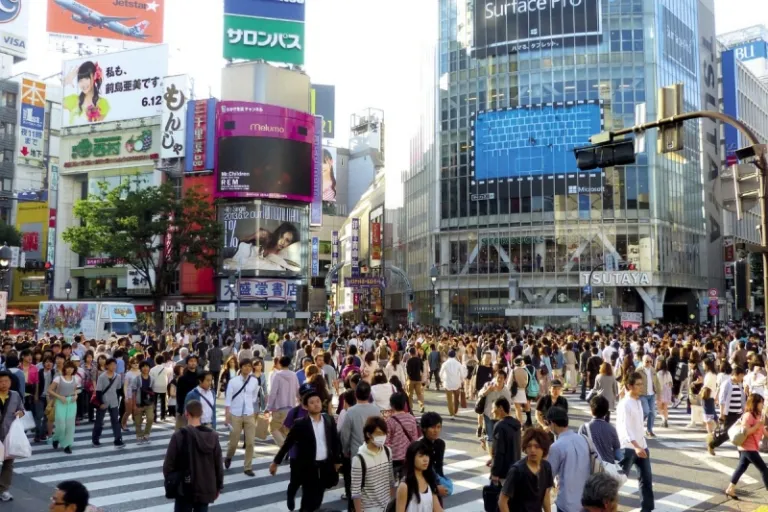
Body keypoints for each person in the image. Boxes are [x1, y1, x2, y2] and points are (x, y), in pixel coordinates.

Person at [269, 388, 343, 512]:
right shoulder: (300, 424)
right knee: (308, 499)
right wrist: (276, 462)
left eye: (318, 401)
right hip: (308, 467)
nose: (316, 404)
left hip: (325, 466)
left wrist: (337, 461)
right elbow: (288, 443)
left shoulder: (328, 420)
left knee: (318, 497)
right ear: (306, 406)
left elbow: (335, 441)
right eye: (312, 402)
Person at [163, 400, 224, 512]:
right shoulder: (213, 436)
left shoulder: (179, 436)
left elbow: (168, 465)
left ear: (187, 414)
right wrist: (218, 486)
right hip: (205, 488)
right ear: (201, 414)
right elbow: (218, 465)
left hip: (184, 488)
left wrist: (172, 482)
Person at [616, 371, 654, 512]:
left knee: (646, 480)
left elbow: (638, 427)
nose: (641, 387)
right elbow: (624, 429)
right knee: (617, 481)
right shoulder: (625, 404)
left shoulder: (638, 402)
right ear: (629, 386)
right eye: (638, 384)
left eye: (641, 384)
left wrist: (642, 444)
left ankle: (647, 509)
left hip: (641, 445)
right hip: (628, 448)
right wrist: (636, 446)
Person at [497, 427, 554, 512]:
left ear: (544, 448)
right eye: (529, 446)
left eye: (537, 446)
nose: (532, 450)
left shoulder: (546, 467)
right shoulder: (517, 471)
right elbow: (502, 501)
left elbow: (545, 496)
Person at [546, 406, 590, 512]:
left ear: (552, 423)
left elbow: (547, 477)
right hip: (587, 501)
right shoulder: (584, 439)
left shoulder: (556, 447)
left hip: (566, 503)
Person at [725, 393, 768, 498]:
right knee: (764, 469)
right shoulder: (748, 416)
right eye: (761, 403)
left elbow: (763, 431)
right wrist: (757, 426)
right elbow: (745, 432)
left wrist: (761, 427)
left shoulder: (759, 415)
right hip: (748, 447)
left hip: (751, 447)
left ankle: (730, 489)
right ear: (755, 403)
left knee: (741, 467)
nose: (763, 405)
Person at [351, 416, 396, 512]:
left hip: (387, 506)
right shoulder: (359, 459)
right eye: (379, 433)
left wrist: (392, 504)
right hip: (369, 509)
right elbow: (356, 491)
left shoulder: (388, 451)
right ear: (368, 434)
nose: (382, 437)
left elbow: (391, 480)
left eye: (384, 433)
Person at [224, 358, 260, 476]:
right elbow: (228, 400)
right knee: (233, 442)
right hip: (235, 414)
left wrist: (251, 406)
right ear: (241, 367)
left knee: (250, 442)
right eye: (245, 366)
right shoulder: (233, 381)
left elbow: (255, 396)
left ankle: (248, 467)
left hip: (249, 414)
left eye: (249, 366)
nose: (247, 368)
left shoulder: (254, 381)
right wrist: (227, 416)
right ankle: (229, 456)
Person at [395, 440, 443, 512]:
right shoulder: (405, 486)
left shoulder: (429, 480)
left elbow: (437, 509)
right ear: (412, 458)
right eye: (421, 456)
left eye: (427, 455)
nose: (425, 459)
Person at [708, 365, 746, 455]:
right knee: (726, 433)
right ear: (736, 374)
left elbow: (742, 399)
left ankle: (743, 454)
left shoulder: (739, 384)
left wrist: (744, 410)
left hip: (738, 413)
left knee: (740, 432)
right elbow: (722, 400)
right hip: (729, 413)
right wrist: (722, 413)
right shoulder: (727, 383)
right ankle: (712, 444)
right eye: (741, 376)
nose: (742, 378)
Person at [0, 371, 25, 501]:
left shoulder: (15, 395)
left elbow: (22, 410)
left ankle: (3, 489)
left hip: (9, 435)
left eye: (6, 381)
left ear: (10, 382)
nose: (3, 384)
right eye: (1, 381)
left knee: (8, 464)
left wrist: (20, 413)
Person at [386, 392, 420, 481]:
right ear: (404, 404)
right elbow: (415, 439)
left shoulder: (390, 421)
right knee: (406, 483)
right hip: (408, 457)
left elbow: (387, 441)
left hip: (394, 457)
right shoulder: (411, 418)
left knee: (394, 484)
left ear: (391, 405)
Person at [91, 358, 125, 449]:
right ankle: (95, 439)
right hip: (103, 401)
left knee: (115, 421)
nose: (113, 366)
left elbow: (118, 390)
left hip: (114, 401)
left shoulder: (117, 376)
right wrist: (100, 402)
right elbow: (98, 391)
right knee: (99, 421)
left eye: (115, 365)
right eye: (111, 365)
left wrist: (118, 401)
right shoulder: (102, 376)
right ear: (106, 366)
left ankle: (118, 439)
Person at [267, 356, 300, 447]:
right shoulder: (294, 375)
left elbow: (273, 393)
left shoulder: (277, 375)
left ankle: (285, 447)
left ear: (280, 364)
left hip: (279, 407)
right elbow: (298, 391)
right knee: (286, 430)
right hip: (291, 407)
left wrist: (269, 407)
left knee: (273, 428)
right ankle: (289, 447)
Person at [578, 395, 621, 464]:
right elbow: (617, 451)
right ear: (606, 411)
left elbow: (579, 448)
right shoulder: (612, 429)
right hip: (608, 467)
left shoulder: (584, 427)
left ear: (591, 410)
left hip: (591, 467)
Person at [48, 361, 80, 454]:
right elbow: (50, 390)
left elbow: (75, 390)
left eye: (72, 368)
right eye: (68, 367)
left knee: (70, 425)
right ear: (64, 369)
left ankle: (67, 445)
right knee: (61, 425)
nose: (70, 369)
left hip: (71, 402)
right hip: (60, 402)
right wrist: (59, 397)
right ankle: (56, 438)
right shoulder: (58, 378)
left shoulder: (75, 378)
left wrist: (76, 395)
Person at [490, 397, 522, 485]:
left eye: (494, 408)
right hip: (515, 469)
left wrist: (495, 472)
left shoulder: (500, 426)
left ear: (500, 408)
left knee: (501, 497)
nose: (492, 411)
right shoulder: (516, 424)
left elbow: (499, 451)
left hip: (503, 473)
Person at [133, 360, 156, 443]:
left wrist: (153, 403)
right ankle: (139, 435)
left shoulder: (152, 379)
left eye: (147, 366)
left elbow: (153, 392)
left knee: (150, 418)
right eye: (143, 366)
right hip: (139, 402)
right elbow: (134, 392)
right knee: (138, 421)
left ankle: (146, 433)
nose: (145, 368)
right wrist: (134, 405)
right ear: (141, 368)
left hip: (148, 403)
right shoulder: (137, 379)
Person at [439, 350, 466, 419]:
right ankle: (455, 411)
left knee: (449, 400)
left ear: (448, 355)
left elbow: (440, 374)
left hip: (448, 383)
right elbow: (462, 374)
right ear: (454, 355)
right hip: (457, 383)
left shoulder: (445, 363)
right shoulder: (458, 363)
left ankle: (452, 414)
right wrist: (462, 381)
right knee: (456, 398)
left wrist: (442, 380)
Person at [638, 355, 660, 438]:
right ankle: (638, 425)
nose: (649, 363)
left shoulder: (653, 369)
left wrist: (659, 393)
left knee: (653, 413)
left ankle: (649, 430)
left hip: (652, 394)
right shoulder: (639, 370)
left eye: (651, 361)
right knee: (646, 411)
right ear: (643, 362)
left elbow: (657, 382)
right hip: (642, 394)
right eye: (647, 361)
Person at [405, 347, 425, 413]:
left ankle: (410, 407)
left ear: (410, 353)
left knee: (410, 394)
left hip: (411, 379)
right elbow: (422, 369)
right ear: (415, 352)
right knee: (419, 394)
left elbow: (407, 371)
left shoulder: (409, 361)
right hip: (418, 379)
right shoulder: (419, 360)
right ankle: (422, 406)